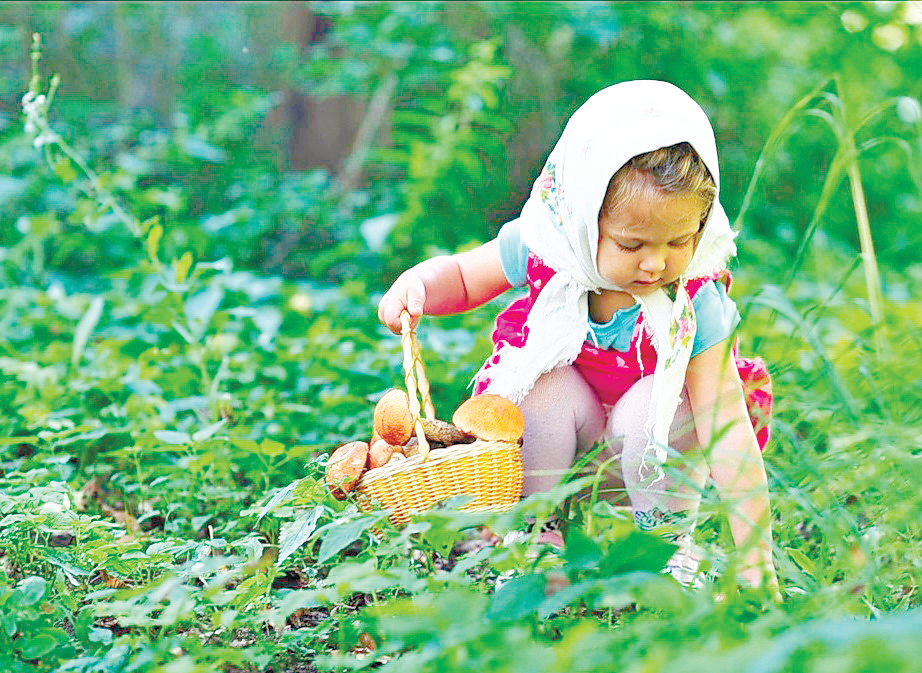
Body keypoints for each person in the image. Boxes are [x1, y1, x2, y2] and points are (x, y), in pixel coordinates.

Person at [377, 80, 777, 593]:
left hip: (649, 455)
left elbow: (726, 428)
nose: (656, 263)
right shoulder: (551, 242)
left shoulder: (693, 299)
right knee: (538, 383)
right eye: (631, 244)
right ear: (585, 219)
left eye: (679, 240)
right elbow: (461, 277)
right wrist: (416, 287)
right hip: (566, 450)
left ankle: (664, 547)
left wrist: (755, 553)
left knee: (665, 400)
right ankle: (535, 536)